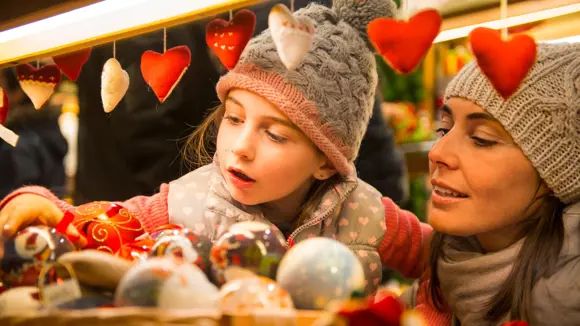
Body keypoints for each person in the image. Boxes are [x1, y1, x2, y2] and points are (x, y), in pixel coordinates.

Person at [0, 0, 399, 295]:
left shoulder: (363, 212)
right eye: (234, 118)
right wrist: (43, 206)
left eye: (275, 135)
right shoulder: (185, 204)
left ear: (328, 162)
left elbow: (441, 256)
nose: (240, 148)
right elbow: (99, 223)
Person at [379, 42, 580, 325]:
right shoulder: (444, 276)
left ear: (556, 171)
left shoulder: (564, 306)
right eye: (444, 129)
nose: (437, 153)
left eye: (481, 138)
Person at [0, 69, 68, 199]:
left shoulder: (17, 142)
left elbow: (14, 201)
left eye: (1, 82)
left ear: (18, 92)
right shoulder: (48, 127)